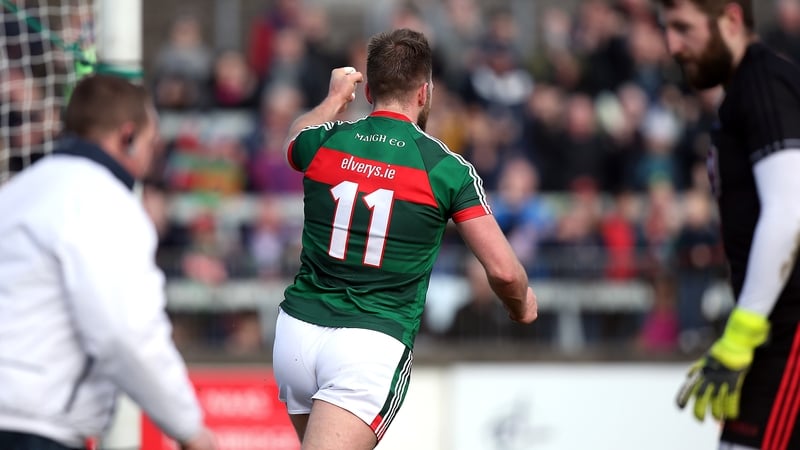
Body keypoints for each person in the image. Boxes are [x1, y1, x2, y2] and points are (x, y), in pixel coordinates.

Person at [272, 28, 538, 450]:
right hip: (370, 342)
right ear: (425, 93)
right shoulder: (445, 168)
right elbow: (505, 272)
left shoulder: (327, 140)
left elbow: (294, 139)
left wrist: (334, 101)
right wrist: (521, 305)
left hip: (296, 334)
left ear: (370, 89)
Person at [0, 75, 217, 450]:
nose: (153, 155)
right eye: (151, 143)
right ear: (128, 137)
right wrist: (190, 429)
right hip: (31, 425)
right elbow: (125, 332)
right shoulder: (106, 203)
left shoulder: (17, 192)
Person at [657, 1, 800, 449]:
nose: (672, 45)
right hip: (771, 334)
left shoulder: (763, 81)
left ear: (731, 20)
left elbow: (790, 208)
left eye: (684, 28)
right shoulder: (742, 91)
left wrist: (743, 331)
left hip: (788, 337)